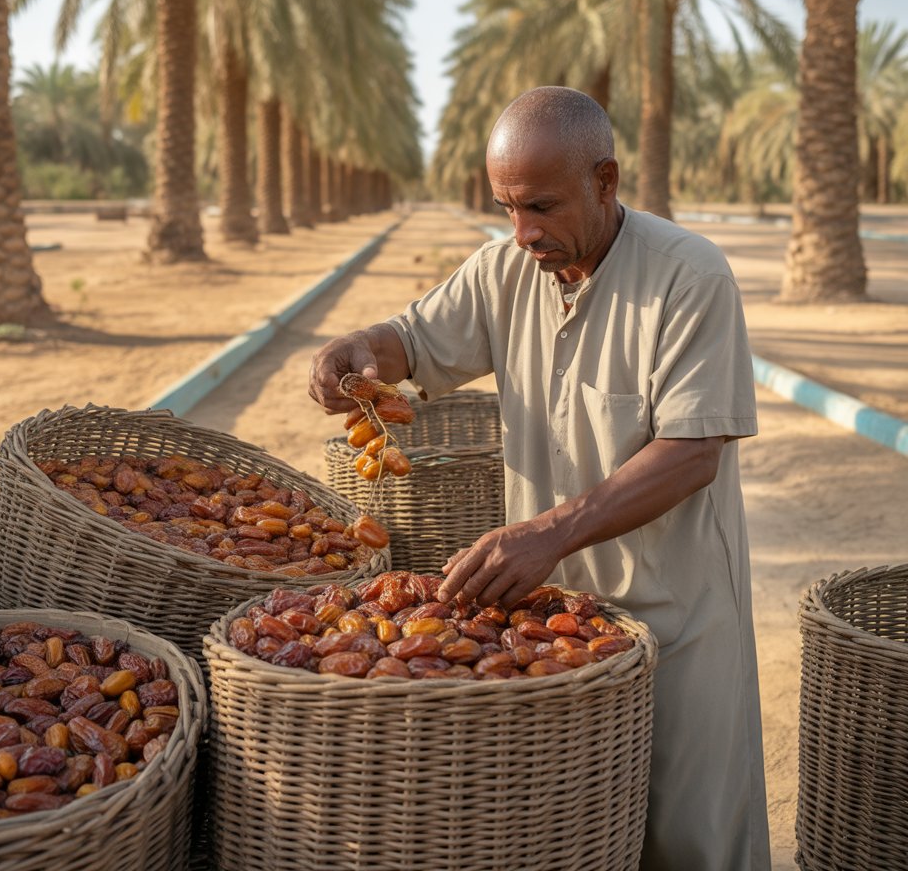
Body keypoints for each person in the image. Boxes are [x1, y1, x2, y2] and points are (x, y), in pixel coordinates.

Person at [307, 86, 770, 871]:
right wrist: (358, 347)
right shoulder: (505, 269)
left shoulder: (688, 277)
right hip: (554, 628)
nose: (523, 233)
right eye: (506, 208)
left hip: (679, 621)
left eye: (542, 208)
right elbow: (413, 342)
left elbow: (696, 452)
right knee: (572, 831)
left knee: (688, 836)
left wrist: (549, 531)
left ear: (607, 180)